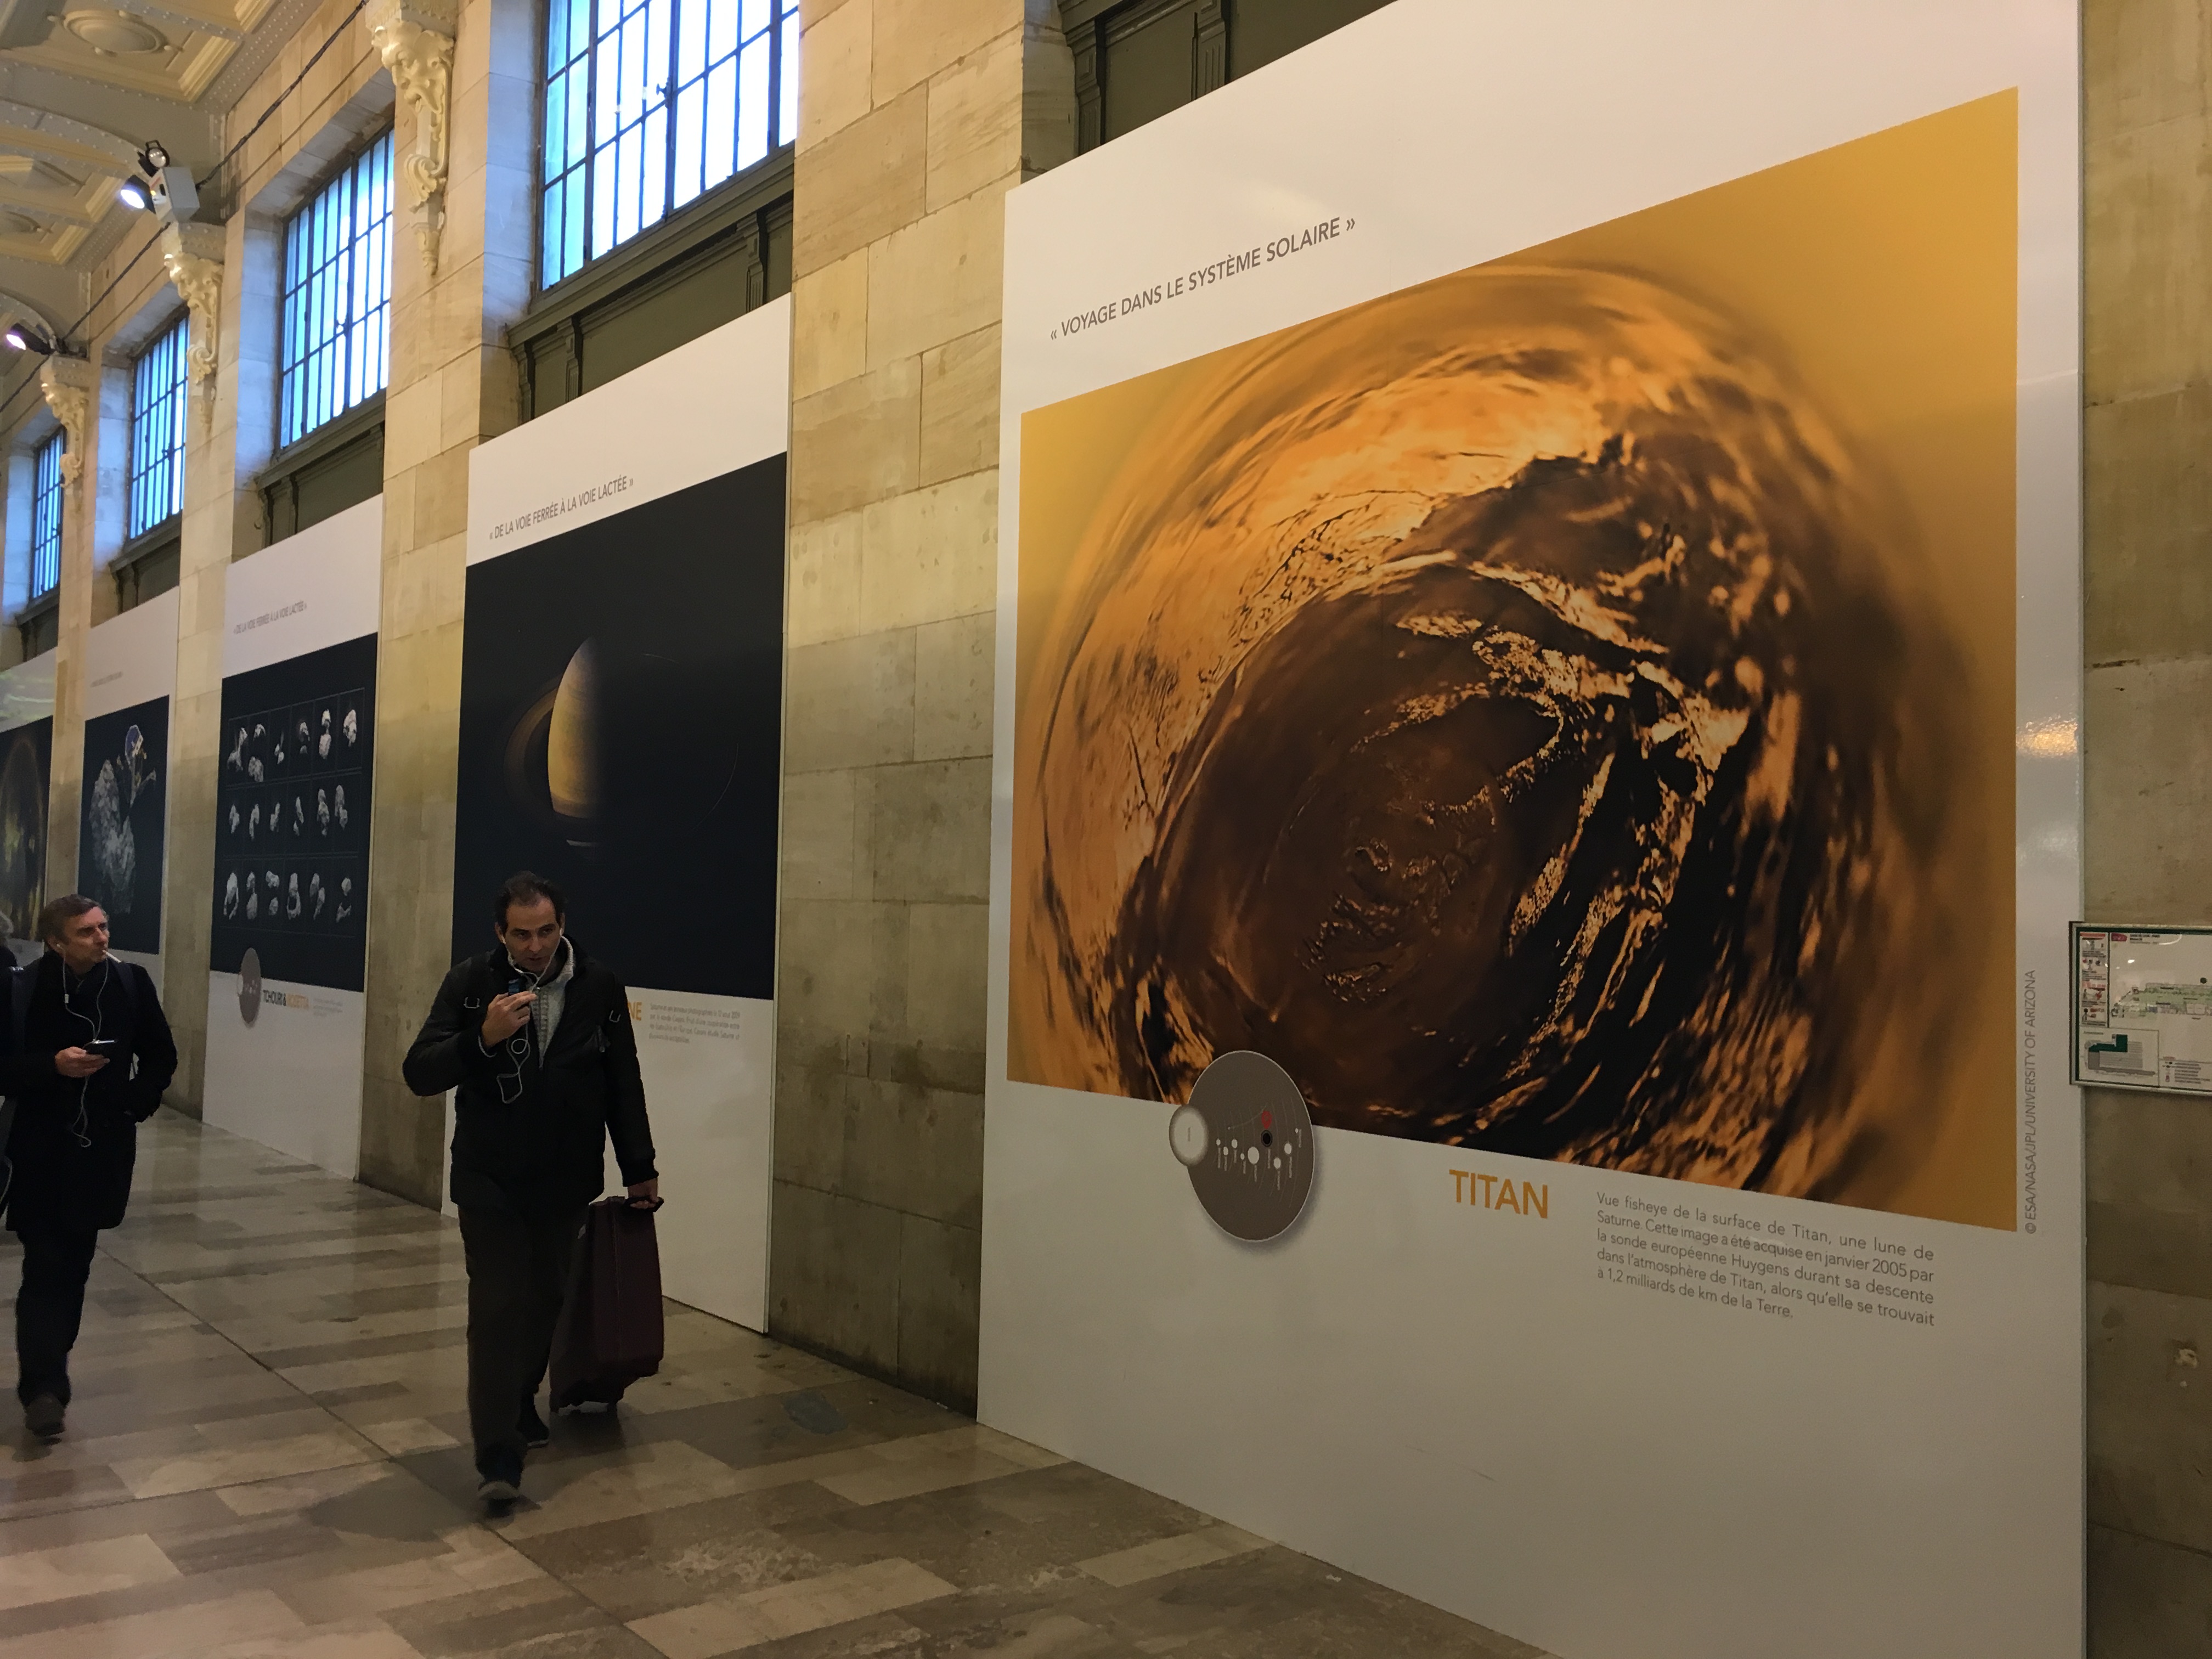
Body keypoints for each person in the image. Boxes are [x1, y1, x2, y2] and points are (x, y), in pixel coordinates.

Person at [402, 872, 657, 1507]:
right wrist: (482, 1039)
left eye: (546, 932)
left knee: (545, 1298)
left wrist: (639, 1165)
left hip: (566, 1179)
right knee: (496, 1310)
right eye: (522, 935)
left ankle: (519, 1399)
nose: (536, 947)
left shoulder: (598, 986)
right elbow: (420, 1071)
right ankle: (497, 1454)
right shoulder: (471, 984)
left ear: (562, 925)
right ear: (500, 932)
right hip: (489, 1180)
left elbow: (622, 1080)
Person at [1, 896, 177, 1439]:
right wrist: (52, 1066)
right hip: (36, 1152)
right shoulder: (21, 988)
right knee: (44, 1264)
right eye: (87, 932)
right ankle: (44, 1388)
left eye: (103, 927)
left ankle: (50, 1369)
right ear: (56, 942)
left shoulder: (130, 983)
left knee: (73, 1265)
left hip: (100, 1152)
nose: (102, 938)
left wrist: (132, 1104)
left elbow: (162, 1055)